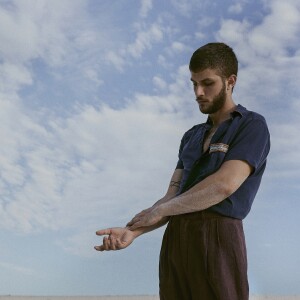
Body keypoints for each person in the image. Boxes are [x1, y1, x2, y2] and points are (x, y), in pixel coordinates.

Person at [94, 42, 270, 300]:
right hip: (176, 240)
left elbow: (224, 185)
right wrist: (132, 232)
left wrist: (163, 209)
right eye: (194, 83)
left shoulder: (252, 125)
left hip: (218, 237)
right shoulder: (191, 136)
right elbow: (171, 196)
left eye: (207, 83)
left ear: (230, 81)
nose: (198, 92)